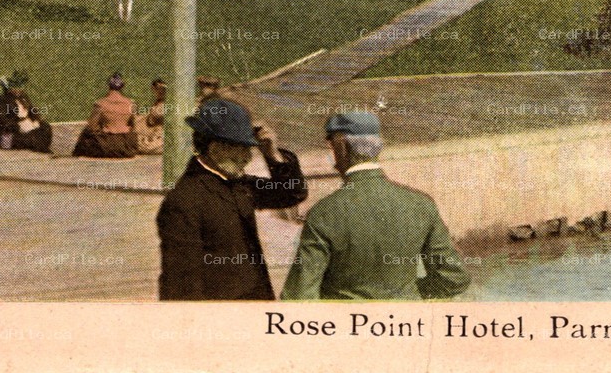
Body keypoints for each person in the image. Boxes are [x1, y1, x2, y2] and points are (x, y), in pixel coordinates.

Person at [281, 111, 469, 301]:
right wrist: (408, 294)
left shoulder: (324, 213)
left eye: (332, 147)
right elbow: (453, 279)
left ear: (342, 147)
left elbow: (298, 297)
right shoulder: (421, 204)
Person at [156, 97, 308, 300]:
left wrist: (272, 154)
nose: (247, 157)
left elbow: (290, 194)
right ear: (214, 146)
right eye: (240, 147)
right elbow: (181, 285)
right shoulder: (184, 201)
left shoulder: (237, 182)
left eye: (248, 148)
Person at [72, 72, 137, 158]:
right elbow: (133, 126)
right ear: (122, 87)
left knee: (86, 132)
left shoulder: (100, 104)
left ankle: (77, 154)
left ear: (109, 86)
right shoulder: (131, 104)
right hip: (126, 147)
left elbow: (92, 127)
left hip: (107, 145)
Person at [0, 70, 53, 153]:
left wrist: (36, 120)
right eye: (15, 88)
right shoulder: (4, 100)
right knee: (29, 137)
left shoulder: (23, 97)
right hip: (10, 134)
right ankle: (42, 148)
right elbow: (3, 119)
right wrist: (18, 125)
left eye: (20, 87)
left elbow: (32, 110)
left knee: (46, 127)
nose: (18, 90)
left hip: (26, 125)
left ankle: (42, 147)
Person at [135, 78, 168, 155]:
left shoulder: (164, 107)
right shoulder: (161, 105)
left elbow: (152, 119)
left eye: (162, 90)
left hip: (156, 142)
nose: (159, 92)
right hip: (156, 140)